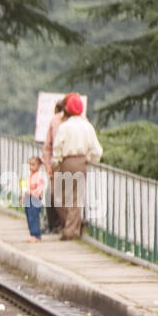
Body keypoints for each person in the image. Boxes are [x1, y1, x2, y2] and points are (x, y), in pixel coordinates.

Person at [51, 93, 103, 241]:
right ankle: (72, 228)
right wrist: (90, 159)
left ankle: (69, 228)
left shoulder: (65, 126)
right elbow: (97, 150)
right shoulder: (88, 127)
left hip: (65, 162)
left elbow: (57, 147)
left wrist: (56, 162)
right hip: (81, 163)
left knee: (59, 196)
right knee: (76, 198)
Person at [41, 100, 65, 234]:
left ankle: (52, 225)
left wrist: (47, 165)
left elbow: (47, 147)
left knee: (51, 194)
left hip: (57, 163)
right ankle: (64, 225)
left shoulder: (55, 121)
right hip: (73, 164)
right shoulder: (79, 121)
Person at [22, 156, 47, 244]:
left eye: (33, 165)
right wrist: (23, 197)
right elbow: (25, 187)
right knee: (29, 216)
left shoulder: (39, 177)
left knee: (34, 216)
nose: (31, 167)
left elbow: (40, 188)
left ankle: (36, 234)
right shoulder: (29, 176)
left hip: (35, 198)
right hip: (28, 198)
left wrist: (34, 193)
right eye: (30, 165)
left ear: (38, 166)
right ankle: (32, 233)